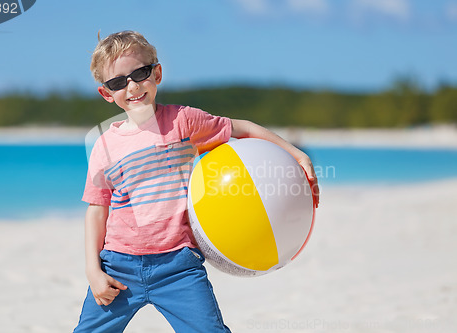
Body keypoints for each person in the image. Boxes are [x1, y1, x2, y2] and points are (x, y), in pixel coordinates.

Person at [73, 30, 319, 333]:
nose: (132, 86)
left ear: (157, 73)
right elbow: (97, 210)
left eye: (140, 73)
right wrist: (93, 270)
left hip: (178, 266)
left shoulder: (183, 121)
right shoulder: (104, 146)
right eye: (118, 82)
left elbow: (240, 128)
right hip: (118, 266)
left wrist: (296, 154)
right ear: (106, 93)